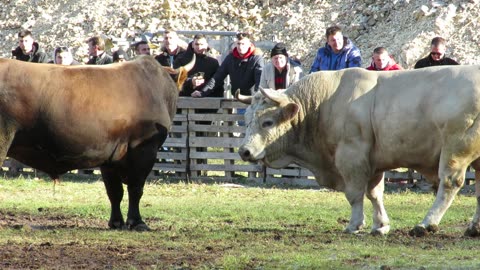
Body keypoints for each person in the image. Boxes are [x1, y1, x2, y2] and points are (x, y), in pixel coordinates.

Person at [192, 32, 264, 98]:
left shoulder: (256, 58)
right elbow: (217, 77)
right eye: (238, 44)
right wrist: (203, 92)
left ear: (249, 44)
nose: (240, 47)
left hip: (252, 98)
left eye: (243, 44)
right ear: (235, 44)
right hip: (237, 97)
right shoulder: (230, 58)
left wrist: (257, 97)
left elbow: (260, 80)